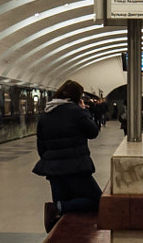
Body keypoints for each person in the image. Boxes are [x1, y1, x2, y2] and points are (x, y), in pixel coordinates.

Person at [33, 80, 103, 231]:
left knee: (61, 211)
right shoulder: (76, 111)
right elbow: (93, 132)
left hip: (53, 170)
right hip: (76, 167)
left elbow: (41, 145)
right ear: (77, 97)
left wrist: (51, 159)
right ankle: (61, 208)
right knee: (98, 201)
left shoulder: (46, 114)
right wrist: (84, 111)